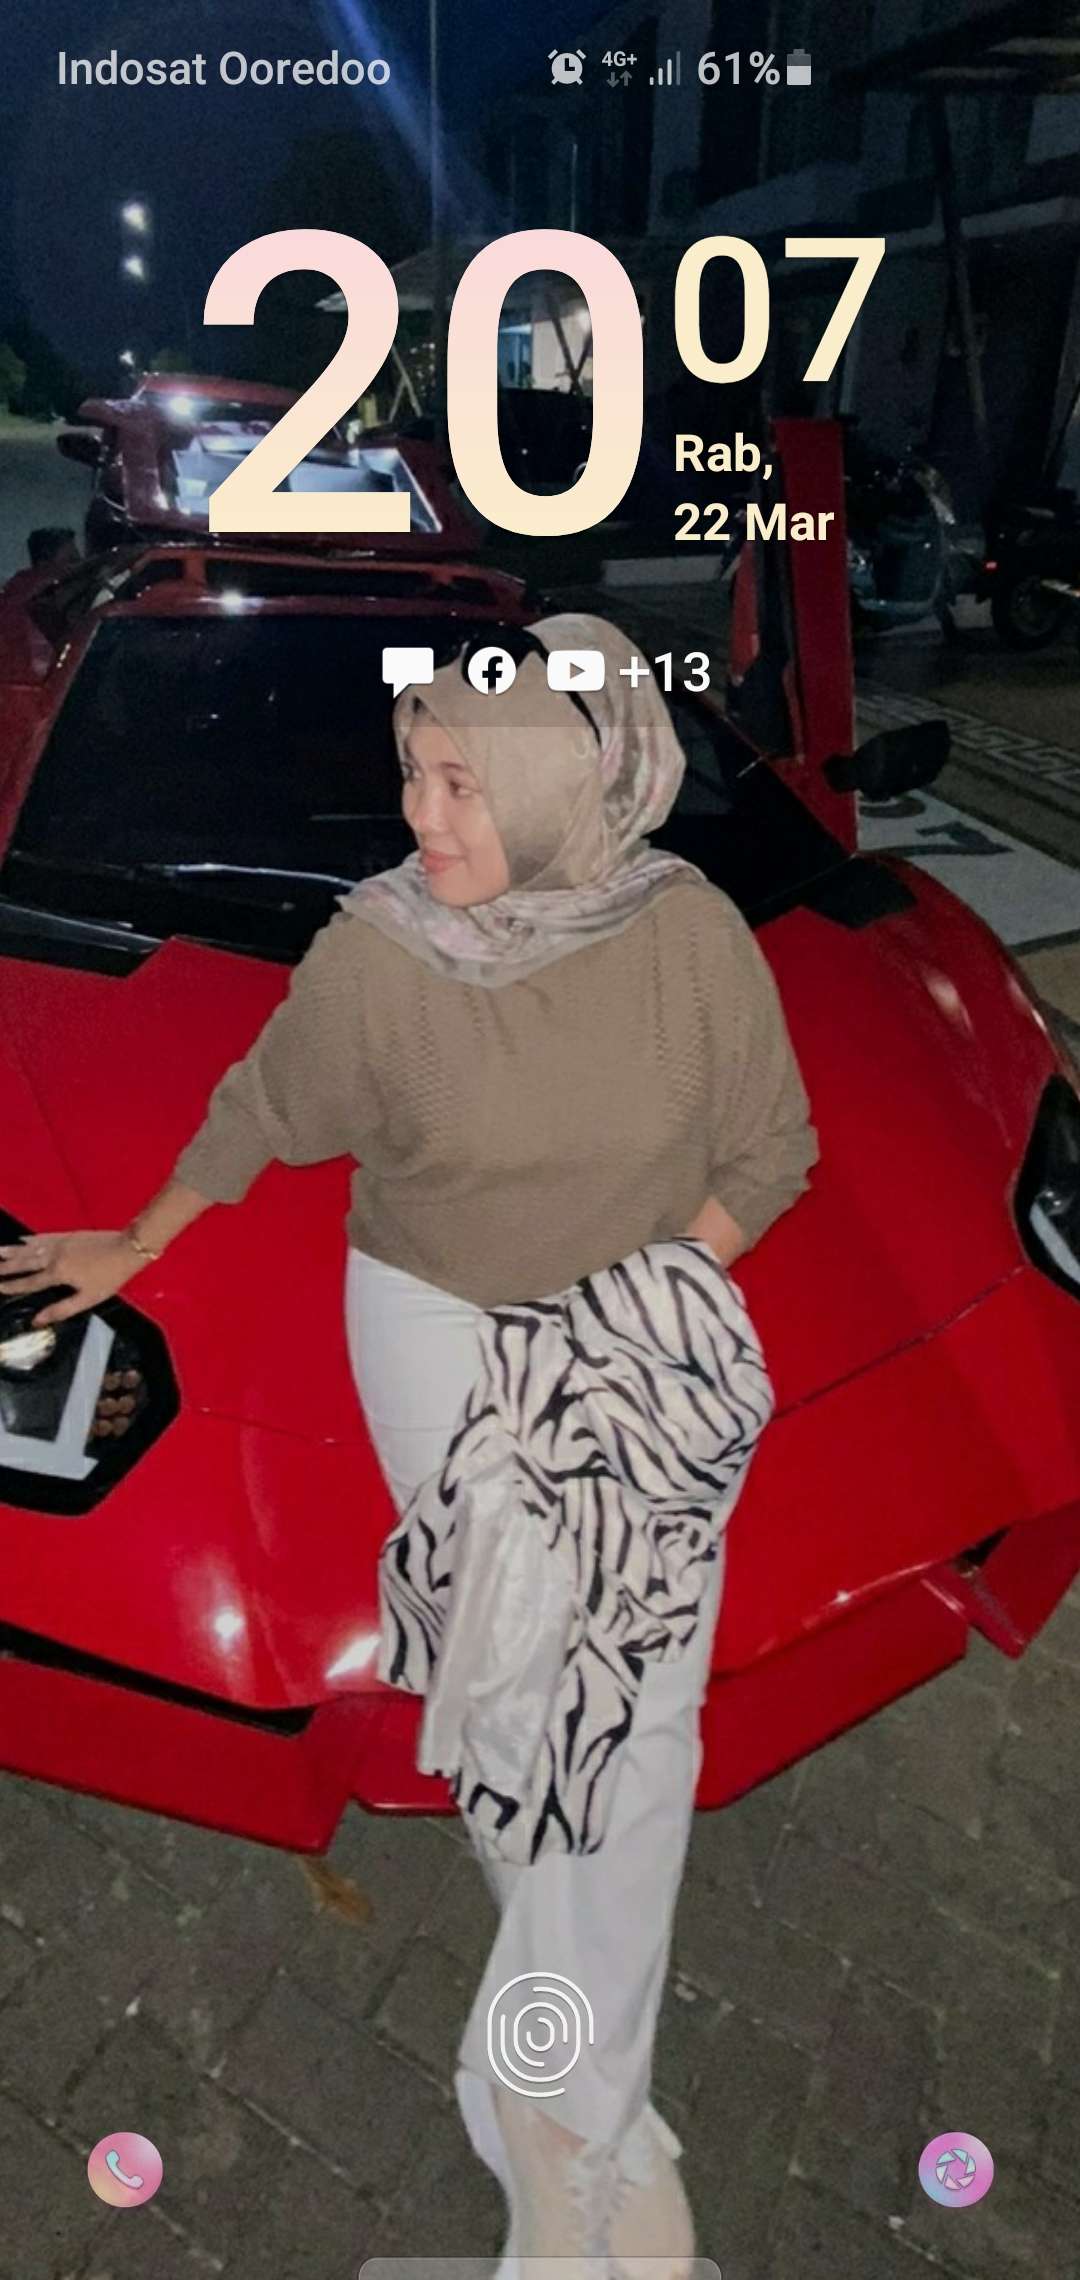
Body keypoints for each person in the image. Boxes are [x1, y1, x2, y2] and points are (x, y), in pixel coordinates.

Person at [0, 612, 819, 2273]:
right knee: (527, 1719)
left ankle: (554, 2096)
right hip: (438, 1327)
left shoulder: (692, 934)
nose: (419, 818)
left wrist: (636, 1309)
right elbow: (264, 1107)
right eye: (414, 776)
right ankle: (585, 2127)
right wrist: (139, 1239)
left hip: (637, 1343)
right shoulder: (383, 956)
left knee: (643, 1737)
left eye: (461, 784)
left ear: (567, 788)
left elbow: (773, 1155)